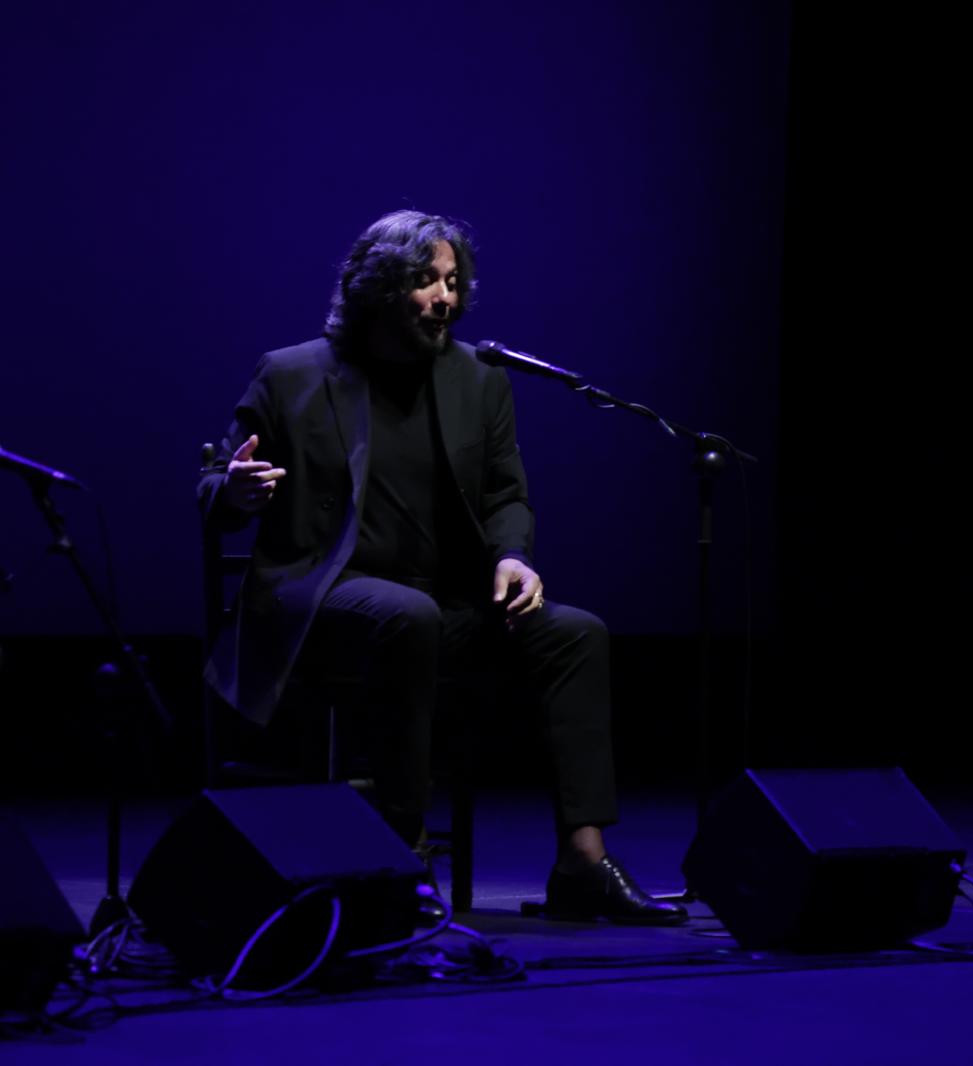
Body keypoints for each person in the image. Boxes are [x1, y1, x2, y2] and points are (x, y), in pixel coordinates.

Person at [199, 209, 686, 925]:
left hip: (442, 606)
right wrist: (234, 491)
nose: (446, 298)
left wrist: (515, 558)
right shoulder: (293, 374)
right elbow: (216, 487)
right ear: (378, 287)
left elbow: (504, 493)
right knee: (408, 617)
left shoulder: (477, 380)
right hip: (323, 604)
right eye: (426, 280)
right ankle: (403, 857)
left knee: (576, 634)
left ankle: (583, 862)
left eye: (454, 281)